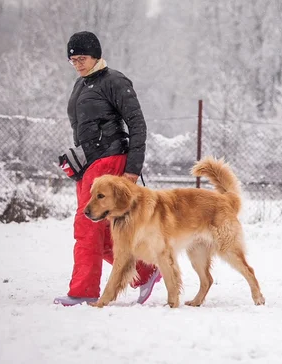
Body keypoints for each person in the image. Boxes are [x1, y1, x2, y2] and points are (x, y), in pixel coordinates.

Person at [53, 31, 161, 306]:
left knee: (87, 225)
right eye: (73, 59)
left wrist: (133, 169)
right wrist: (79, 157)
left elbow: (137, 124)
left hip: (112, 163)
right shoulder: (81, 85)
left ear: (96, 55)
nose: (77, 63)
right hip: (91, 166)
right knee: (100, 231)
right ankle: (143, 272)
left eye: (82, 58)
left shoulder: (114, 80)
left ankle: (83, 290)